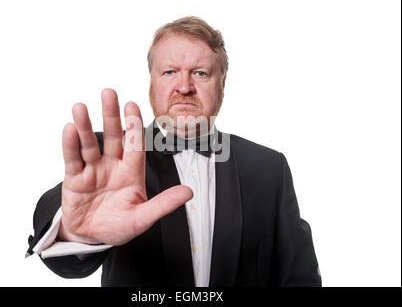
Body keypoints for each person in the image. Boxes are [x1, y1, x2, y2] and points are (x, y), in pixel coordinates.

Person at [26, 16, 321, 287]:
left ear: (223, 84)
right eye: (169, 72)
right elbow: (63, 216)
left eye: (201, 73)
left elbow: (299, 275)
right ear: (151, 83)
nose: (184, 86)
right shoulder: (115, 156)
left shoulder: (268, 167)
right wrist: (75, 231)